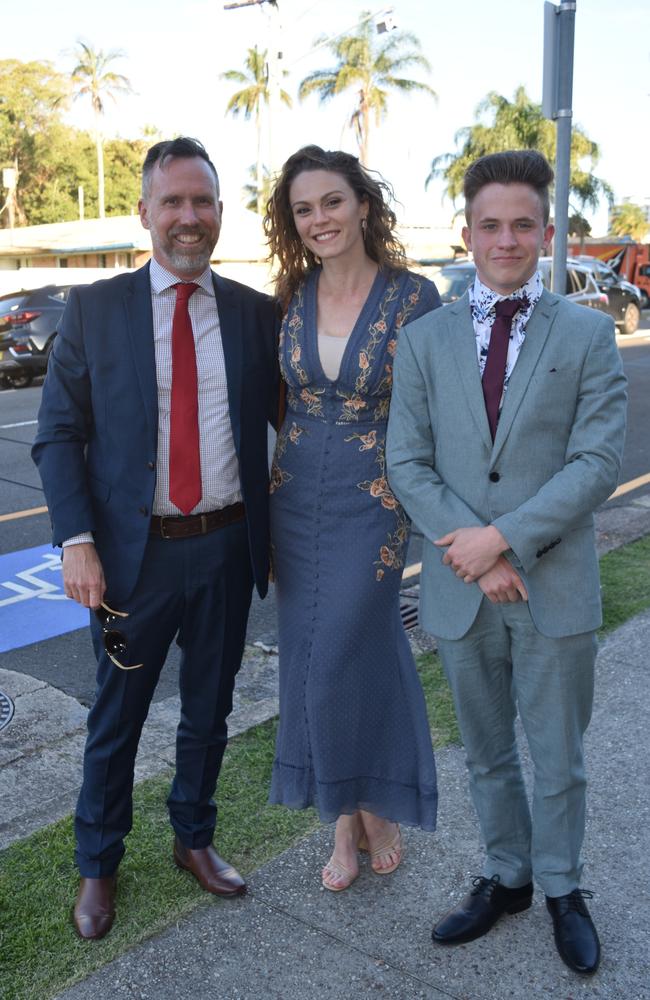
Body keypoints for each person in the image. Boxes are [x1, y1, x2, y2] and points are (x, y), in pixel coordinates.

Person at [32, 137, 280, 940]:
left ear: (218, 212)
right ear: (144, 212)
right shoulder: (97, 311)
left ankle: (193, 840)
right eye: (171, 201)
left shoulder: (253, 314)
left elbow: (301, 419)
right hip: (133, 564)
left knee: (209, 710)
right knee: (119, 716)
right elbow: (58, 435)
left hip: (225, 546)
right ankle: (98, 865)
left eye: (201, 201)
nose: (187, 217)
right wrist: (76, 540)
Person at [387, 150, 627, 974]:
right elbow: (407, 463)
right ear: (467, 233)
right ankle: (510, 876)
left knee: (557, 756)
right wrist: (476, 553)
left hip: (553, 583)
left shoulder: (591, 335)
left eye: (523, 224)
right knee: (486, 750)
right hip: (462, 592)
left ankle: (564, 887)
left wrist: (506, 539)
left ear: (547, 231)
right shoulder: (423, 342)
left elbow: (597, 463)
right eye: (490, 224)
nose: (506, 238)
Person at [263, 145, 440, 892]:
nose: (319, 219)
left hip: (376, 501)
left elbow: (434, 411)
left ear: (362, 204)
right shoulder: (289, 296)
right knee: (312, 659)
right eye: (304, 209)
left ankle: (361, 805)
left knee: (342, 654)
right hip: (293, 498)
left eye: (331, 201)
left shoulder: (415, 297)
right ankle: (352, 814)